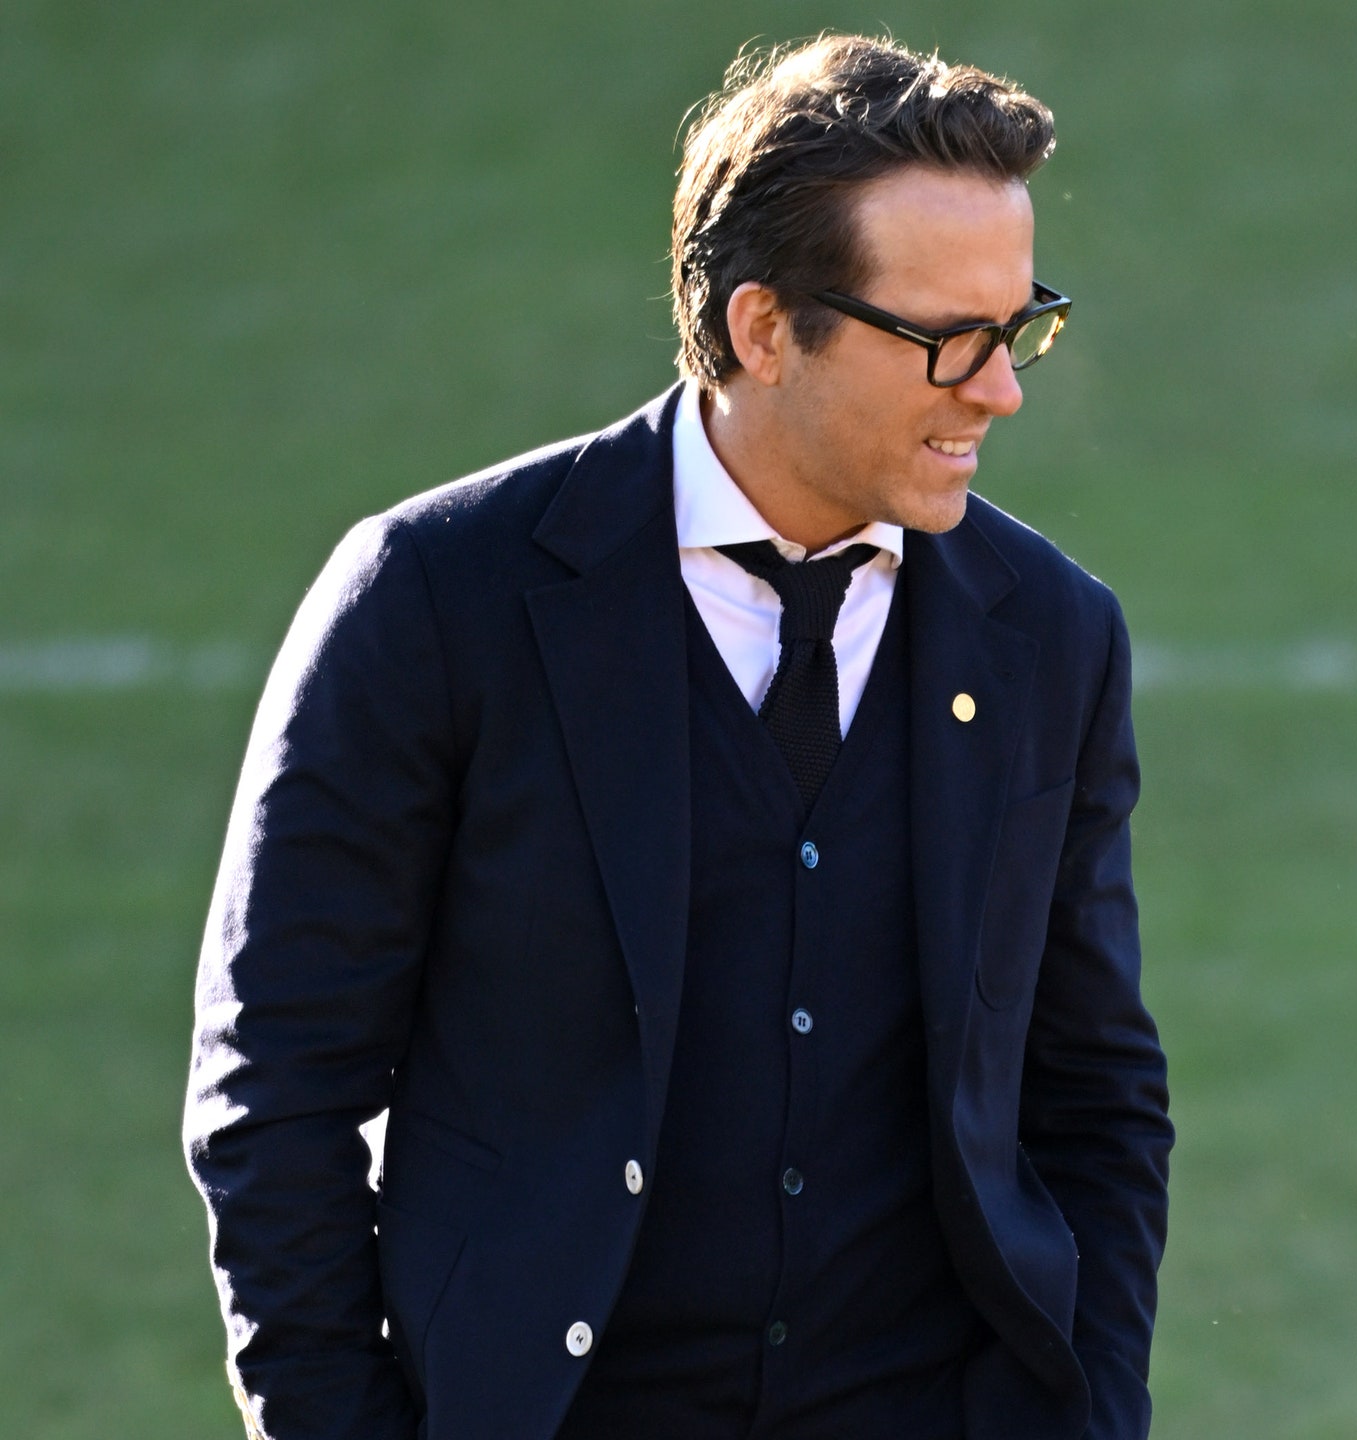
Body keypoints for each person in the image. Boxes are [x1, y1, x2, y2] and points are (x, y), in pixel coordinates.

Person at [182, 35, 1170, 1440]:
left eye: (1021, 329)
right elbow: (274, 1084)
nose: (999, 390)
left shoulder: (1053, 636)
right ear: (764, 329)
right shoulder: (436, 599)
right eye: (948, 340)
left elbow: (1096, 1095)